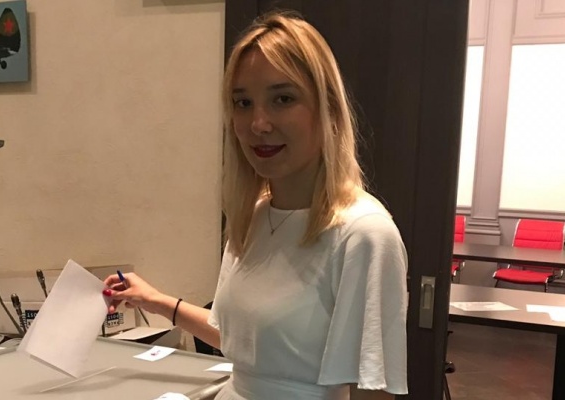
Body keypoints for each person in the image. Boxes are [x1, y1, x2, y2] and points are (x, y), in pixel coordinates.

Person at [103, 11, 408, 400]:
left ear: (328, 108)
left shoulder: (363, 235)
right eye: (243, 102)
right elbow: (247, 344)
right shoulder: (253, 215)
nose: (258, 123)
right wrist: (156, 301)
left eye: (283, 99)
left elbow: (373, 391)